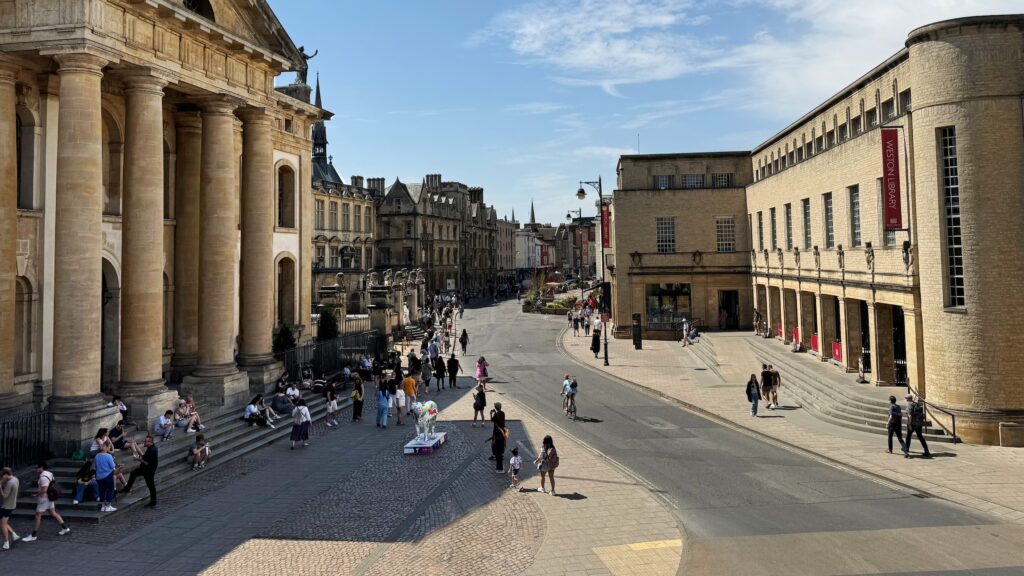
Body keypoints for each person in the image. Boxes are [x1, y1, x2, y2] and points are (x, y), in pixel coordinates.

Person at [22, 463, 70, 542]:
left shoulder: (43, 477)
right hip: (50, 497)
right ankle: (65, 528)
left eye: (37, 467)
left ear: (41, 467)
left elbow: (44, 490)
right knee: (53, 512)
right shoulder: (49, 473)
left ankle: (33, 535)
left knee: (38, 515)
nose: (36, 469)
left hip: (44, 498)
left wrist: (36, 494)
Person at [123, 435, 158, 508]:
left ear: (150, 442)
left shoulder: (152, 450)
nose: (144, 442)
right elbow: (145, 458)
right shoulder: (151, 448)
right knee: (133, 473)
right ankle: (127, 488)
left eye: (145, 441)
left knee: (151, 486)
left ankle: (153, 502)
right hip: (145, 469)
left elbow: (147, 463)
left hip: (148, 471)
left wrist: (138, 459)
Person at [1, 467, 20, 550]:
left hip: (6, 506)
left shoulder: (9, 483)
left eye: (3, 476)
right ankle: (14, 535)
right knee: (3, 521)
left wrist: (0, 487)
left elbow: (4, 496)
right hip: (12, 504)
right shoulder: (15, 479)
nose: (2, 477)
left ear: (6, 474)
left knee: (2, 524)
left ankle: (6, 543)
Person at [94, 444, 117, 513]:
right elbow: (113, 466)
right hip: (107, 475)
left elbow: (96, 466)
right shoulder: (108, 456)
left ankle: (103, 506)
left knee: (101, 491)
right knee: (110, 490)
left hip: (99, 476)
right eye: (109, 447)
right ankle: (108, 506)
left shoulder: (97, 456)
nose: (109, 448)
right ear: (106, 448)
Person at [488, 402, 507, 473]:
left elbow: (492, 420)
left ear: (496, 407)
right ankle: (499, 466)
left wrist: (491, 413)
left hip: (497, 435)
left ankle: (499, 468)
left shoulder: (496, 415)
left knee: (497, 452)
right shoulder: (502, 413)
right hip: (501, 434)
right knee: (499, 451)